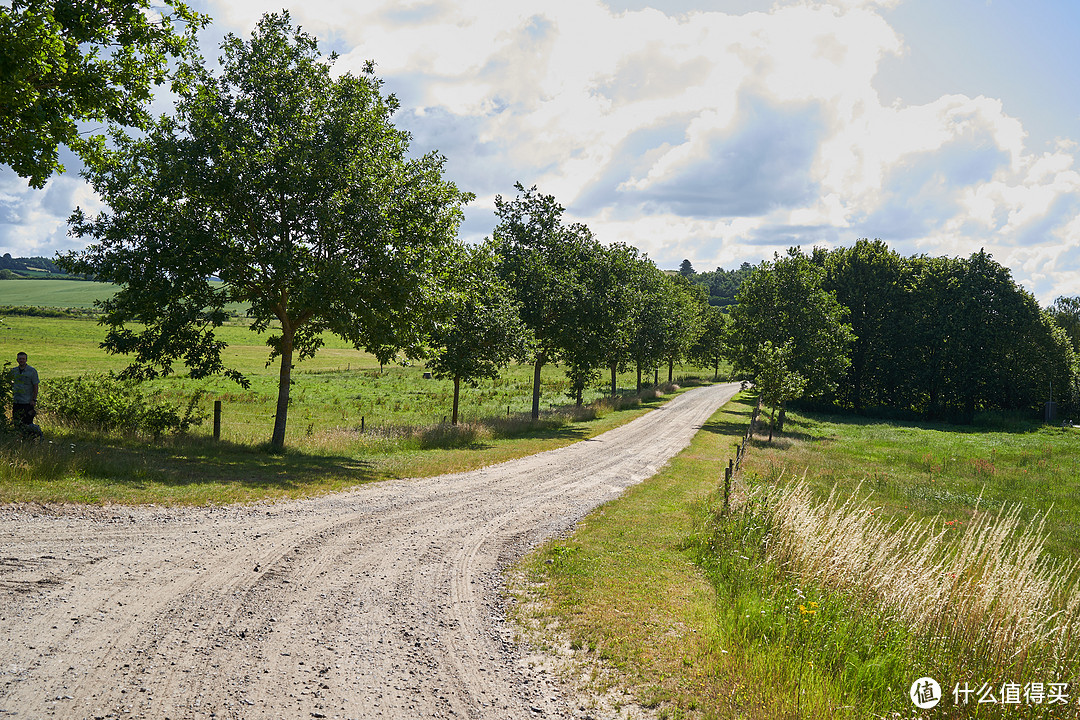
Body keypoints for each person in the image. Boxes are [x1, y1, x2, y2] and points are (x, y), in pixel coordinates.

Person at [10, 351, 39, 430]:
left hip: (27, 402)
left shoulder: (32, 371)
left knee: (27, 424)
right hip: (17, 401)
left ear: (26, 360)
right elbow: (9, 382)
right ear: (17, 360)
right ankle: (18, 441)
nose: (21, 360)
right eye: (20, 359)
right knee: (16, 423)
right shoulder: (14, 371)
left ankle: (29, 440)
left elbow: (35, 386)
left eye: (23, 359)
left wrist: (34, 399)